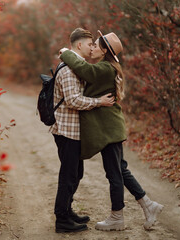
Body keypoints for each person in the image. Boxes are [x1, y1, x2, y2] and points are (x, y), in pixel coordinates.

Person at [59, 31, 164, 231]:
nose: (92, 48)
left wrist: (65, 52)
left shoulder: (105, 68)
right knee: (121, 170)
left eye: (96, 45)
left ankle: (117, 217)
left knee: (114, 173)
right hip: (110, 129)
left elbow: (83, 69)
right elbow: (86, 70)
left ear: (105, 51)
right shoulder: (106, 67)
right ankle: (148, 205)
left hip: (109, 130)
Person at [50, 28, 115, 233]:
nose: (92, 47)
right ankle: (62, 220)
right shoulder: (68, 70)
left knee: (76, 173)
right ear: (79, 45)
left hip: (74, 131)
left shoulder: (77, 67)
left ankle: (67, 211)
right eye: (90, 44)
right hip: (66, 130)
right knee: (68, 175)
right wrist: (99, 102)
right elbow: (73, 100)